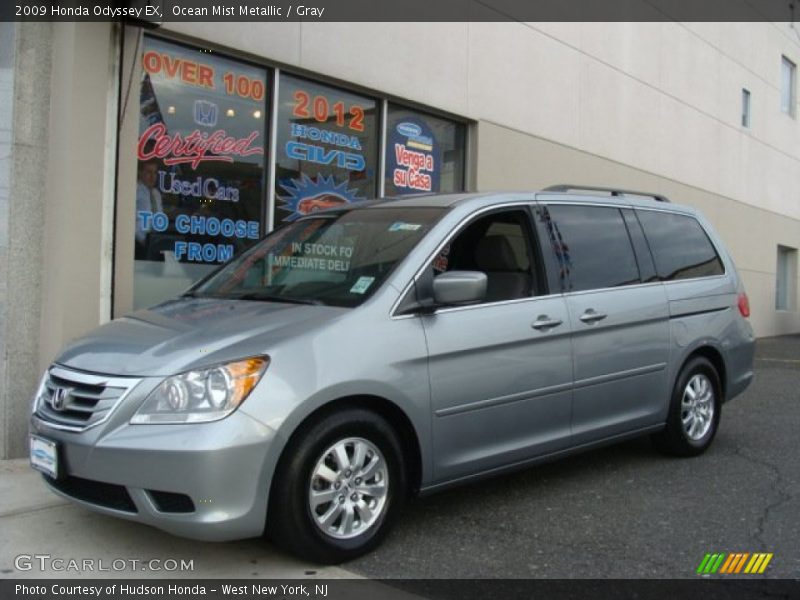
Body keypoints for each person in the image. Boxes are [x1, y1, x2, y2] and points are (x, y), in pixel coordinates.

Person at [135, 158, 163, 259]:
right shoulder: (135, 189)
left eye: (155, 173)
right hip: (138, 243)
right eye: (149, 172)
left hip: (154, 243)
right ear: (140, 172)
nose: (152, 177)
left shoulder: (156, 194)